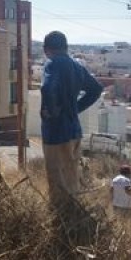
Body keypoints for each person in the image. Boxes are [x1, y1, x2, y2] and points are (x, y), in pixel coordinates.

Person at [40, 30, 103, 212]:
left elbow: (47, 86)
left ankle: (61, 223)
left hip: (55, 133)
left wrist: (51, 111)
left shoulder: (51, 64)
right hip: (74, 131)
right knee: (71, 179)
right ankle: (74, 218)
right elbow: (96, 89)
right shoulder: (77, 66)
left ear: (46, 49)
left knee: (57, 180)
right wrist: (75, 108)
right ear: (66, 47)